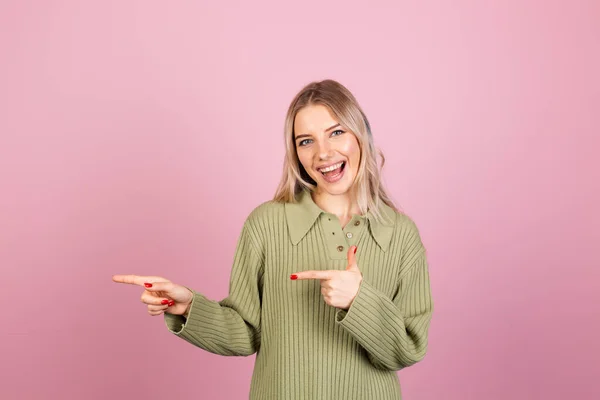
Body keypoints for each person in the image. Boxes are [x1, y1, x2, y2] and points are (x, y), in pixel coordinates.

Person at [113, 79, 434, 399]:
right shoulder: (266, 224)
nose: (323, 153)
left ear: (359, 133)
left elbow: (408, 348)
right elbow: (245, 333)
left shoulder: (401, 235)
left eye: (336, 132)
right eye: (306, 141)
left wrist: (359, 300)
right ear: (295, 152)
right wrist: (187, 307)